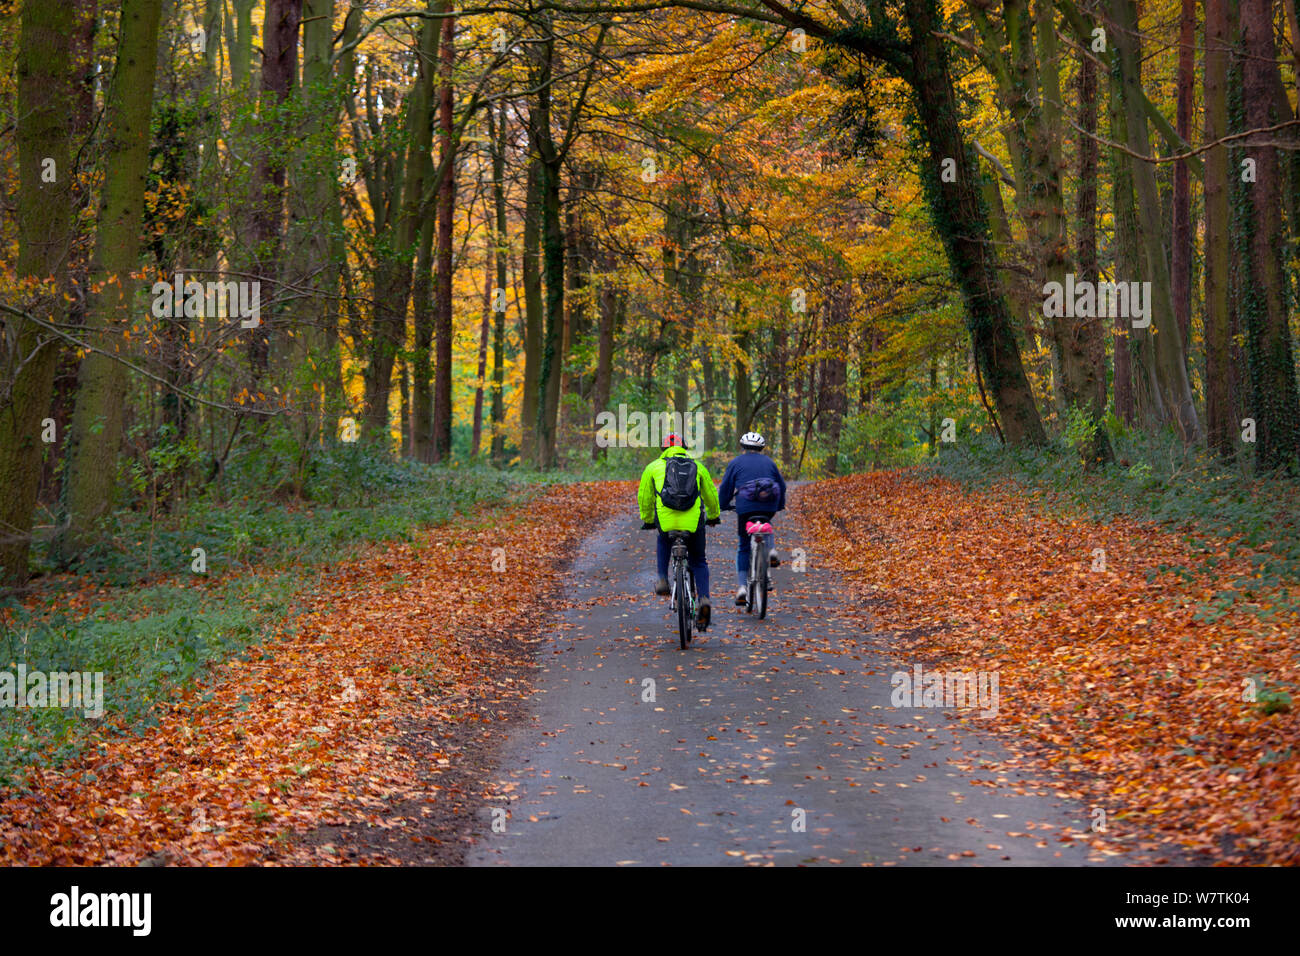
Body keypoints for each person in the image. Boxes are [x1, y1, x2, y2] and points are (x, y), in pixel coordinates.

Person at [637, 431, 721, 630]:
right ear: (684, 448)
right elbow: (710, 494)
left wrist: (648, 520)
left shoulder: (653, 467)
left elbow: (645, 498)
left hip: (667, 524)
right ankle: (705, 601)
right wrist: (714, 516)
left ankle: (662, 579)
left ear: (663, 449)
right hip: (693, 525)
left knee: (663, 538)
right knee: (699, 560)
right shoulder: (698, 467)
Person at [717, 431, 787, 606]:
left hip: (745, 508)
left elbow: (726, 487)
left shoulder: (736, 463)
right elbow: (782, 486)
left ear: (743, 447)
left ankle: (742, 587)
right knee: (765, 524)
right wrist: (779, 505)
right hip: (768, 506)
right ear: (761, 448)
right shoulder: (770, 462)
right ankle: (771, 551)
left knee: (743, 546)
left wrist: (723, 505)